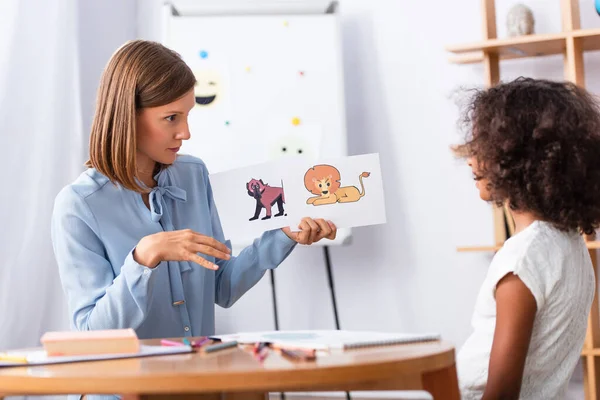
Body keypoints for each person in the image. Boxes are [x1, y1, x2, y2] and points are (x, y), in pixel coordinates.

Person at [51, 40, 337, 341]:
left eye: (188, 115)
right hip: (125, 387)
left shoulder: (193, 174)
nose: (185, 133)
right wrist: (143, 257)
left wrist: (283, 235)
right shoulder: (78, 206)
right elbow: (91, 334)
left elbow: (222, 287)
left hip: (195, 378)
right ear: (128, 115)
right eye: (171, 118)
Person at [454, 77, 600, 399]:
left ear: (517, 159)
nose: (471, 158)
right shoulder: (571, 246)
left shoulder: (524, 258)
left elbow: (503, 390)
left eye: (484, 144)